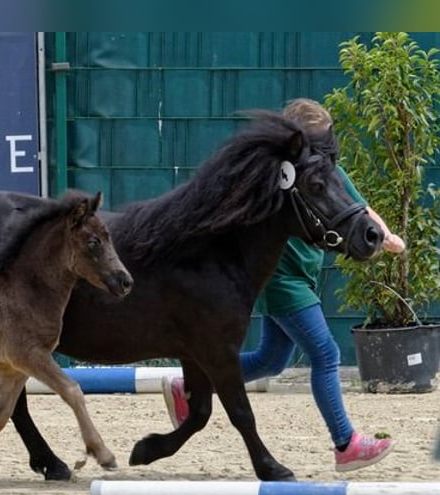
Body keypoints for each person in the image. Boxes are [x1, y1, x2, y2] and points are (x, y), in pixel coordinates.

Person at [162, 98, 406, 472]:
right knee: (326, 354)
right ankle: (346, 443)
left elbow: (357, 204)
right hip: (283, 280)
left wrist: (385, 234)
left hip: (305, 275)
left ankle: (191, 385)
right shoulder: (277, 179)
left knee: (271, 360)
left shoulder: (321, 171)